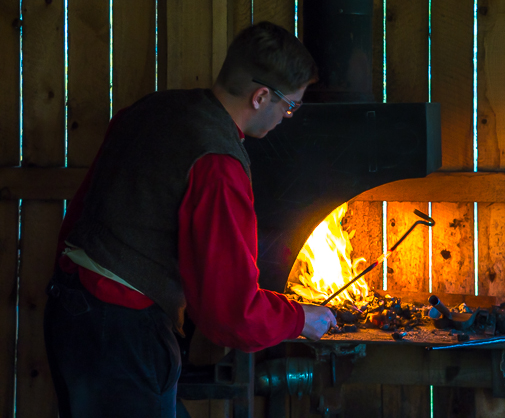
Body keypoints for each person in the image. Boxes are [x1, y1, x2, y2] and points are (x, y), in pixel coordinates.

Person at [43, 21, 337, 418]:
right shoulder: (217, 163)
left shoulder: (152, 107)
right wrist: (300, 317)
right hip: (121, 330)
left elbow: (83, 208)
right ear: (261, 96)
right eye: (289, 105)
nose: (287, 116)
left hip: (69, 304)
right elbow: (231, 313)